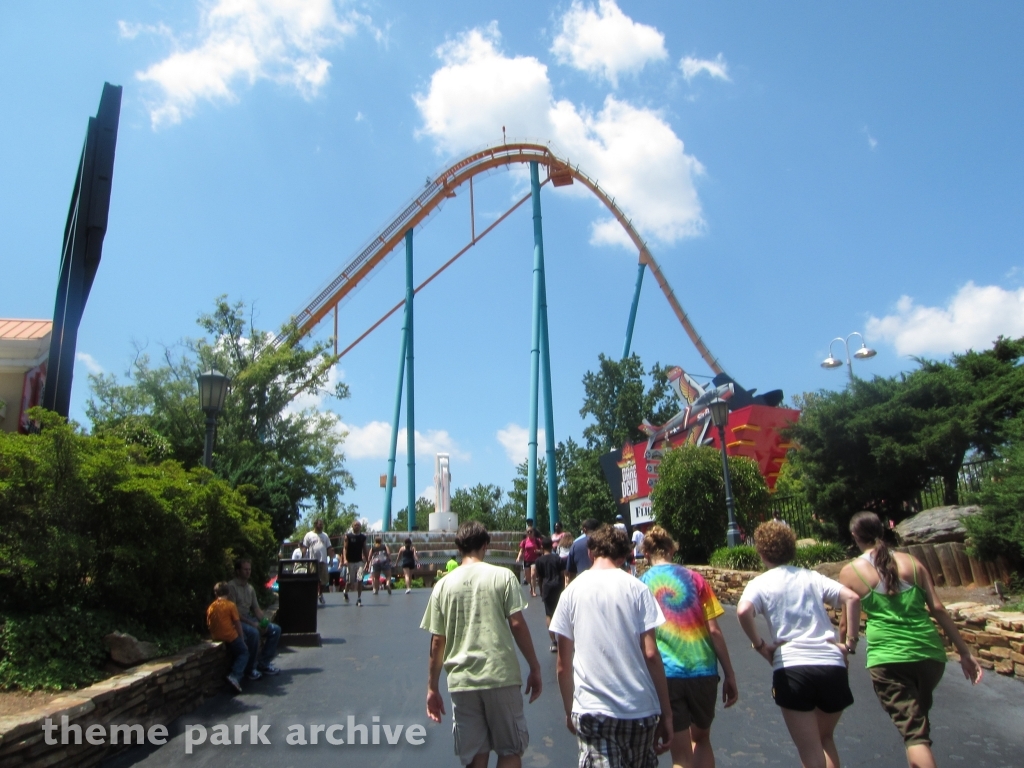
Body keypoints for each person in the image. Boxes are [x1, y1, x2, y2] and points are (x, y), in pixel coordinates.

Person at [838, 511, 983, 768]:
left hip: (889, 659)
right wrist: (964, 652)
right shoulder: (913, 563)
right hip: (929, 656)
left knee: (915, 736)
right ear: (881, 531)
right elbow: (938, 608)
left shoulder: (851, 572)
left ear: (854, 536)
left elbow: (846, 621)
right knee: (916, 727)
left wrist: (844, 652)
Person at [737, 521, 861, 768]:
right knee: (825, 738)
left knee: (810, 750)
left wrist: (760, 645)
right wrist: (849, 644)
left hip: (793, 666)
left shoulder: (760, 583)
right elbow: (852, 597)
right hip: (831, 664)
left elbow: (743, 611)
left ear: (761, 552)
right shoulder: (811, 577)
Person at [421, 521, 543, 768]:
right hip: (500, 675)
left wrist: (432, 687)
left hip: (462, 681)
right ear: (485, 545)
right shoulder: (502, 576)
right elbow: (517, 624)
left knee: (476, 756)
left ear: (459, 547)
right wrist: (534, 666)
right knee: (510, 750)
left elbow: (437, 641)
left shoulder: (443, 586)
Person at [550, 524, 673, 768]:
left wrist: (569, 709)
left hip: (593, 709)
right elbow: (651, 654)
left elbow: (563, 665)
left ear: (590, 553)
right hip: (639, 709)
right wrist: (666, 713)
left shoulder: (571, 593)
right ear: (621, 556)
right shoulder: (637, 589)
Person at [640, 526, 738, 768]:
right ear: (672, 549)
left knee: (681, 756)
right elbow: (714, 630)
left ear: (646, 553)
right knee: (702, 740)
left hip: (666, 675)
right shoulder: (696, 579)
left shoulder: (640, 585)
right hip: (703, 669)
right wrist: (730, 674)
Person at [227, 558, 282, 679]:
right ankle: (250, 669)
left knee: (275, 630)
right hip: (237, 621)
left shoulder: (250, 588)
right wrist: (253, 624)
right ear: (238, 571)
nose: (248, 572)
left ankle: (263, 664)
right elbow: (234, 613)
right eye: (245, 569)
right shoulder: (231, 587)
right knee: (254, 633)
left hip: (248, 618)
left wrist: (264, 621)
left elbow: (256, 609)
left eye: (249, 569)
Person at [207, 582, 248, 693]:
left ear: (215, 593)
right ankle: (235, 675)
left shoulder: (211, 607)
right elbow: (237, 623)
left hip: (216, 636)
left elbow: (209, 623)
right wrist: (242, 638)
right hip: (229, 636)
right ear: (228, 592)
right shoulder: (230, 605)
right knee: (244, 652)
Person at [532, 538, 565, 652]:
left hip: (547, 587)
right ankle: (564, 640)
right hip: (558, 587)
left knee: (549, 615)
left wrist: (541, 590)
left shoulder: (539, 561)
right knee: (561, 613)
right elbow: (562, 575)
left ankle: (553, 642)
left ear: (542, 547)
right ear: (552, 546)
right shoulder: (558, 558)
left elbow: (539, 578)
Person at [303, 518, 332, 604]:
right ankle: (313, 596)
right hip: (313, 561)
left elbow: (329, 548)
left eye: (322, 524)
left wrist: (331, 558)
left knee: (324, 580)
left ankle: (320, 593)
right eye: (320, 524)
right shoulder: (309, 535)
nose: (321, 526)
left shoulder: (325, 535)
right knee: (314, 580)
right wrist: (303, 557)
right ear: (315, 525)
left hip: (323, 560)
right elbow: (305, 547)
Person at [342, 520, 368, 606]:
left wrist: (367, 560)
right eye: (355, 525)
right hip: (350, 561)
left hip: (359, 561)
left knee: (360, 579)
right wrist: (345, 559)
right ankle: (345, 592)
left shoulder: (362, 537)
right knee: (350, 582)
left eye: (358, 525)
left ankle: (359, 599)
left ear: (360, 527)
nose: (357, 526)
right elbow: (345, 548)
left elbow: (365, 548)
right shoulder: (348, 536)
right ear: (352, 526)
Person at [516, 524, 541, 598]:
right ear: (526, 533)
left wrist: (538, 551)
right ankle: (531, 585)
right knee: (527, 578)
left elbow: (542, 550)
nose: (529, 533)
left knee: (533, 575)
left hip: (535, 559)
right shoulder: (524, 541)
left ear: (533, 532)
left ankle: (533, 591)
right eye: (528, 532)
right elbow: (521, 550)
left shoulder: (537, 541)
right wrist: (518, 557)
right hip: (527, 560)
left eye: (531, 532)